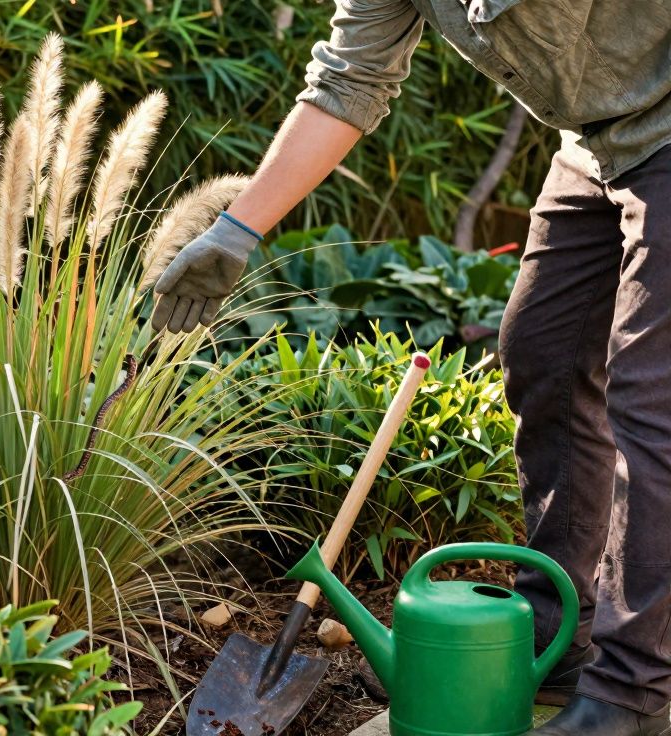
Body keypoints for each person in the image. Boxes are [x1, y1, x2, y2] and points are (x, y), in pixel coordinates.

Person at [151, 3, 671, 734]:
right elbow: (349, 80)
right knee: (543, 353)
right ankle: (559, 641)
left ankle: (633, 689)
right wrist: (238, 228)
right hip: (597, 144)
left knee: (653, 399)